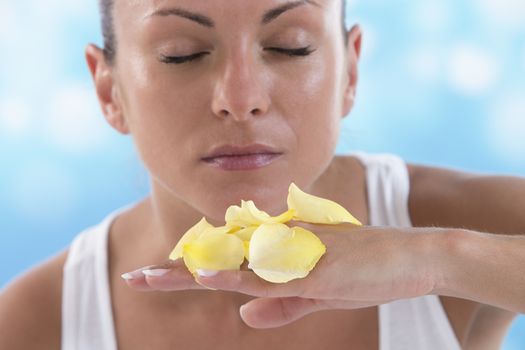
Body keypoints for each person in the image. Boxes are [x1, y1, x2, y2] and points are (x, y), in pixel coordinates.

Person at [1, 0, 524, 349]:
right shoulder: (35, 324)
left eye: (291, 46)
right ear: (109, 91)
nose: (241, 99)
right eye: (181, 55)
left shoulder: (465, 223)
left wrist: (434, 259)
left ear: (351, 71)